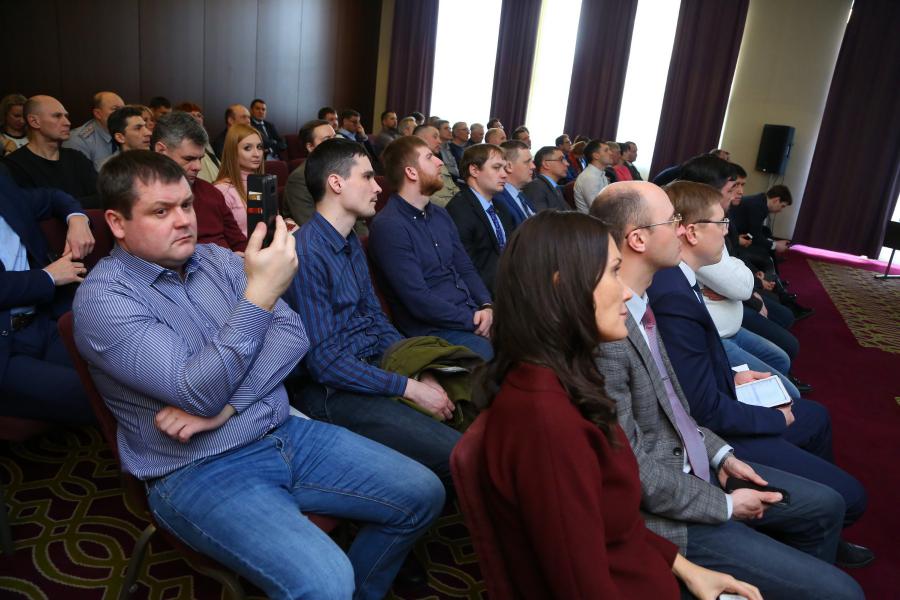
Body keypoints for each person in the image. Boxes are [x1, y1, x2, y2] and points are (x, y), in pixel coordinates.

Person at [74, 150, 444, 599]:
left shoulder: (215, 260)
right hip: (197, 469)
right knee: (326, 581)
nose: (184, 220)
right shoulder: (104, 299)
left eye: (186, 205)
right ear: (117, 223)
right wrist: (260, 297)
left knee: (423, 493)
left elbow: (293, 335)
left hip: (282, 430)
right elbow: (196, 391)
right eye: (160, 211)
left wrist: (228, 407)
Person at [591, 181, 866, 598]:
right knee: (843, 590)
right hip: (671, 511)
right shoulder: (613, 328)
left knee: (827, 506)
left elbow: (675, 407)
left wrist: (719, 454)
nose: (681, 229)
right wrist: (723, 504)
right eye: (672, 221)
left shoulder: (643, 301)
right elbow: (634, 465)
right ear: (638, 239)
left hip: (696, 460)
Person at [474, 210, 761, 600]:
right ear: (564, 288)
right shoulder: (547, 422)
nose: (626, 291)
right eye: (612, 273)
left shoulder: (565, 377)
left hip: (652, 566)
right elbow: (582, 584)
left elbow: (613, 522)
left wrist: (689, 570)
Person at [285, 138, 462, 487]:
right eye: (366, 177)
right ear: (336, 183)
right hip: (331, 392)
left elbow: (375, 319)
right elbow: (325, 363)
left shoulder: (349, 239)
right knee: (456, 454)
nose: (378, 186)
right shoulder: (306, 252)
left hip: (371, 367)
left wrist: (415, 368)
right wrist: (408, 387)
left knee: (464, 411)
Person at [369, 136, 493, 360]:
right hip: (432, 330)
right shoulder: (389, 226)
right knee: (490, 352)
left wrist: (486, 305)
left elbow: (465, 268)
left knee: (528, 333)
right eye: (429, 157)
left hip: (468, 313)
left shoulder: (440, 214)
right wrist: (474, 320)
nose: (440, 162)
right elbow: (418, 299)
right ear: (411, 172)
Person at [0, 173, 94, 423]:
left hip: (41, 323)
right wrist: (48, 277)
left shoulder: (3, 186)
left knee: (117, 374)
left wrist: (77, 218)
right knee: (90, 394)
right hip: (5, 349)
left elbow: (52, 197)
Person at [152, 112, 246, 252]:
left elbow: (239, 243)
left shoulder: (211, 192)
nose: (198, 167)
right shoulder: (141, 198)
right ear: (161, 151)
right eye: (189, 159)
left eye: (200, 158)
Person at [3, 95, 99, 208]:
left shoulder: (77, 157)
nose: (67, 122)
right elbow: (29, 209)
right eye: (57, 116)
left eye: (66, 116)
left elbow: (103, 197)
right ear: (34, 121)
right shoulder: (13, 165)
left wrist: (60, 206)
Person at [446, 144, 515, 293]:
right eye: (496, 168)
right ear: (474, 170)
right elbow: (466, 267)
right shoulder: (459, 209)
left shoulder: (501, 207)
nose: (504, 174)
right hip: (487, 294)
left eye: (504, 168)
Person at [214, 123, 264, 236]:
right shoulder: (223, 190)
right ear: (233, 152)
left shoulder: (263, 182)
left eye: (259, 147)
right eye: (248, 148)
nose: (257, 154)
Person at [64, 91, 125, 171]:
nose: (123, 114)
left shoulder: (126, 132)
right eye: (115, 109)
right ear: (98, 114)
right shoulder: (78, 140)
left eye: (124, 110)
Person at [173, 101, 220, 183]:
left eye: (199, 115)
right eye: (191, 115)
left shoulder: (207, 146)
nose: (197, 118)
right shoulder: (176, 145)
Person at [414, 124, 459, 208]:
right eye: (435, 137)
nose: (439, 141)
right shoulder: (414, 164)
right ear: (420, 139)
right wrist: (455, 207)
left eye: (439, 137)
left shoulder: (438, 161)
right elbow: (425, 196)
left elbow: (453, 188)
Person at [494, 140, 536, 226]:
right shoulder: (498, 201)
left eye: (532, 161)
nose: (533, 166)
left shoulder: (521, 195)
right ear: (509, 166)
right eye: (527, 162)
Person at [521, 145, 569, 211]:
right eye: (561, 159)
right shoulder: (536, 187)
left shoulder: (554, 186)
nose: (567, 164)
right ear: (546, 164)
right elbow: (542, 217)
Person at [574, 139, 612, 213]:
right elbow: (597, 210)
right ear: (596, 156)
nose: (611, 153)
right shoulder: (589, 177)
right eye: (606, 150)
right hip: (591, 219)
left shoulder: (600, 174)